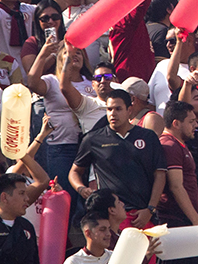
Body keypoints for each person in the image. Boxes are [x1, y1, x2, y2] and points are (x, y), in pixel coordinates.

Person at [69, 88, 166, 227]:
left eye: (118, 109)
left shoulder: (148, 137)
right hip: (111, 216)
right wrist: (81, 188)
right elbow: (74, 171)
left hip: (143, 214)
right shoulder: (93, 139)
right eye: (109, 109)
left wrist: (150, 209)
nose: (113, 113)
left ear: (129, 110)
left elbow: (160, 174)